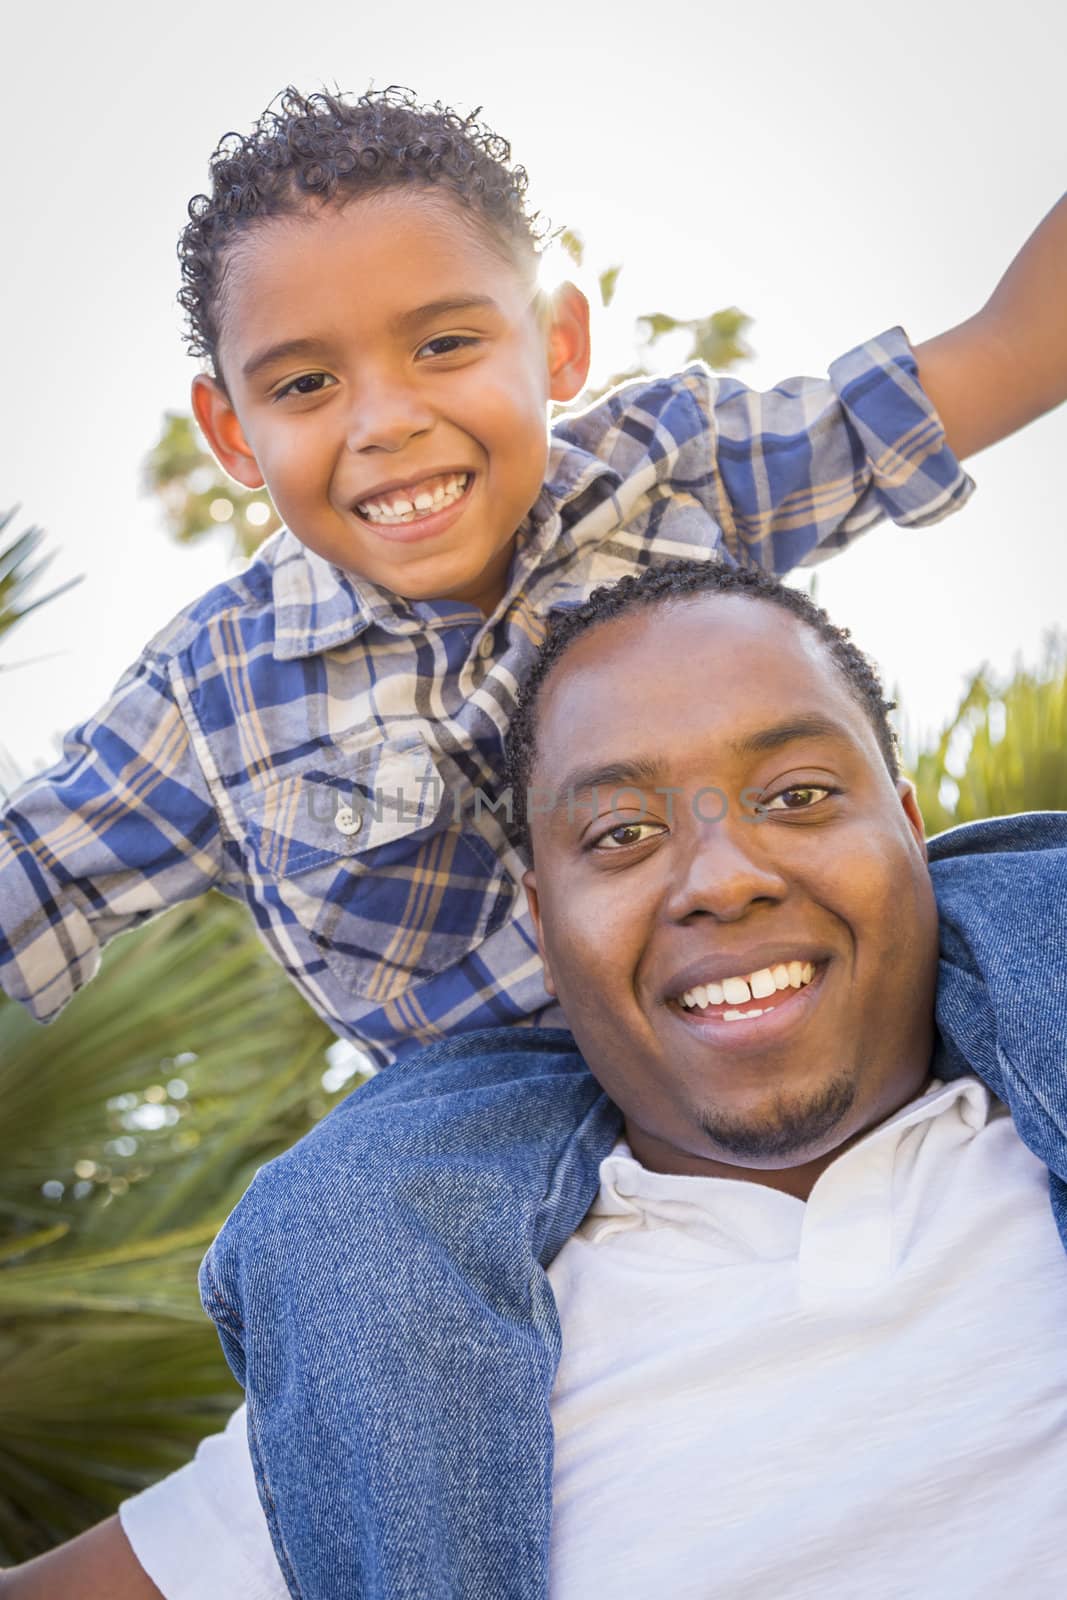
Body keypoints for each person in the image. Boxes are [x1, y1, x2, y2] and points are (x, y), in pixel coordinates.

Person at [7, 562, 1067, 1597]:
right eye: (619, 833)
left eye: (794, 795)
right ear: (543, 928)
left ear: (909, 831)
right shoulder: (409, 1367)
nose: (723, 877)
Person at [2, 84, 1067, 1071]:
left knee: (1036, 908)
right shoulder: (211, 690)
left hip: (786, 973)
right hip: (504, 1096)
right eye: (307, 381)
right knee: (328, 1206)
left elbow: (1009, 349)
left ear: (556, 341)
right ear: (234, 432)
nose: (386, 421)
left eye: (445, 343)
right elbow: (32, 876)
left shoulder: (668, 466)